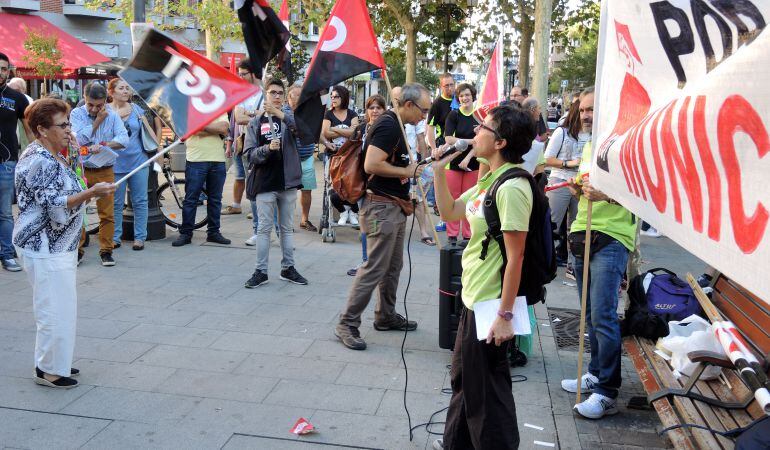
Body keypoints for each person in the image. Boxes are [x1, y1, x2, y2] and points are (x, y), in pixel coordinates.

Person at [432, 103, 536, 450]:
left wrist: (505, 316)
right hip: (473, 302)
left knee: (488, 398)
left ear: (501, 142)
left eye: (482, 129)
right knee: (465, 383)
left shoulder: (512, 189)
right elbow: (449, 211)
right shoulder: (488, 180)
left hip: (491, 307)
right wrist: (437, 169)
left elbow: (516, 256)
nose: (474, 133)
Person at [13, 98, 115, 388]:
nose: (70, 129)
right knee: (52, 309)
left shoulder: (54, 152)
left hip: (59, 244)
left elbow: (70, 184)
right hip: (43, 244)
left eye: (69, 122)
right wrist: (90, 193)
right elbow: (55, 207)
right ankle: (48, 370)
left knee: (62, 306)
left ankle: (54, 361)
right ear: (43, 130)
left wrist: (87, 183)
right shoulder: (37, 160)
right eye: (64, 124)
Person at [334, 83, 429, 351]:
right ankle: (347, 323)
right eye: (423, 110)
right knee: (375, 267)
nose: (425, 116)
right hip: (379, 207)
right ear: (408, 105)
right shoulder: (389, 125)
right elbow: (371, 164)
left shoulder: (397, 124)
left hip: (393, 205)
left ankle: (385, 316)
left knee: (393, 266)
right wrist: (407, 171)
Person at [561, 87, 636, 419]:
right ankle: (595, 372)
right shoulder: (590, 144)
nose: (586, 115)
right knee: (590, 314)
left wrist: (606, 195)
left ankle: (607, 391)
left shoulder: (626, 145)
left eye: (591, 109)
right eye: (582, 110)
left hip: (613, 237)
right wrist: (579, 189)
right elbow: (587, 189)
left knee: (604, 316)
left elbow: (641, 195)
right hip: (582, 233)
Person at [243, 78, 307, 288]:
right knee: (264, 229)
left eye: (280, 93)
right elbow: (249, 154)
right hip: (264, 183)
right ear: (266, 95)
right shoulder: (256, 122)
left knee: (287, 229)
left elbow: (303, 132)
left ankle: (288, 268)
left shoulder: (288, 119)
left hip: (287, 183)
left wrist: (281, 115)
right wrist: (267, 149)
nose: (277, 96)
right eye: (273, 92)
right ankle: (261, 271)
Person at [71, 82, 129, 267]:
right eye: (91, 105)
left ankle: (106, 251)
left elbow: (123, 139)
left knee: (107, 213)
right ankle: (78, 251)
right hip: (82, 169)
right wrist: (97, 122)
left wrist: (104, 145)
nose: (95, 109)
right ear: (85, 99)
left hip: (105, 169)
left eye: (99, 105)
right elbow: (78, 139)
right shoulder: (76, 114)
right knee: (79, 211)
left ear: (106, 101)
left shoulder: (112, 116)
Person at [107, 78, 157, 251]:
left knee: (140, 201)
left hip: (138, 161)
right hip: (115, 163)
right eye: (121, 88)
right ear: (111, 92)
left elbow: (149, 131)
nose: (126, 91)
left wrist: (158, 148)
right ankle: (115, 237)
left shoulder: (137, 109)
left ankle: (139, 237)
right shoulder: (105, 111)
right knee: (116, 202)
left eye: (127, 88)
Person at [170, 113, 231, 247]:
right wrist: (213, 129)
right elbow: (188, 131)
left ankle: (213, 233)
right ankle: (186, 233)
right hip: (195, 160)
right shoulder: (190, 108)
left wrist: (200, 127)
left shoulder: (220, 107)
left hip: (218, 160)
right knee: (191, 199)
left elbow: (224, 128)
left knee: (215, 199)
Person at [544, 96, 588, 278]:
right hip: (560, 182)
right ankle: (545, 262)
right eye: (585, 111)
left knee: (577, 228)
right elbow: (547, 159)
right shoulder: (562, 132)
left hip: (582, 184)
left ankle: (573, 265)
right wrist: (568, 163)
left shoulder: (594, 135)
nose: (588, 116)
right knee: (551, 225)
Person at [347, 94, 386, 276]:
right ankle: (366, 261)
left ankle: (375, 263)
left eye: (379, 107)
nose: (375, 111)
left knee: (376, 225)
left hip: (380, 185)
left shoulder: (387, 129)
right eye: (371, 107)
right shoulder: (361, 129)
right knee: (365, 223)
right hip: (361, 182)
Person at [0, 54, 33, 272]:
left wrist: (37, 153)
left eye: (4, 68)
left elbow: (30, 129)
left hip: (6, 162)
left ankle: (7, 254)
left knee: (4, 212)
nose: (0, 72)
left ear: (9, 71)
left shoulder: (17, 98)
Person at [223, 59, 262, 229]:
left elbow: (265, 117)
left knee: (253, 176)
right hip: (241, 140)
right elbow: (237, 118)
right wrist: (256, 114)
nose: (240, 77)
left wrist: (249, 113)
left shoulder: (263, 93)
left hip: (257, 143)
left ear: (253, 73)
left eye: (243, 74)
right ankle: (236, 205)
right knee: (239, 175)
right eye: (239, 74)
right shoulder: (242, 93)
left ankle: (256, 208)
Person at [443, 82, 479, 242]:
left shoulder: (479, 116)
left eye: (467, 95)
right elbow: (449, 138)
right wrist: (471, 141)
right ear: (458, 98)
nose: (464, 98)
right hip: (454, 162)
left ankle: (467, 234)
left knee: (470, 199)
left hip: (474, 163)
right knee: (454, 197)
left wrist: (469, 153)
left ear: (473, 97)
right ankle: (452, 234)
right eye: (462, 96)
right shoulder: (454, 115)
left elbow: (481, 142)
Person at [321, 85, 360, 225]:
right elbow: (326, 133)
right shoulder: (328, 114)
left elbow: (354, 132)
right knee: (333, 185)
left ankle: (351, 211)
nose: (333, 99)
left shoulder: (352, 114)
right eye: (331, 97)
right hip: (333, 155)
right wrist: (346, 130)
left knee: (350, 184)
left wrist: (334, 128)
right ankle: (340, 211)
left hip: (350, 155)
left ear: (343, 97)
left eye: (336, 96)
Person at [287, 83, 318, 232]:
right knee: (289, 192)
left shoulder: (309, 112)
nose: (299, 98)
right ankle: (287, 222)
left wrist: (325, 142)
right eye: (296, 95)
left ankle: (305, 219)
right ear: (289, 97)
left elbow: (316, 131)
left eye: (302, 95)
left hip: (307, 157)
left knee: (307, 190)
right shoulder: (283, 113)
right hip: (289, 160)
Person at [426, 73, 457, 152]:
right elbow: (430, 128)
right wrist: (434, 149)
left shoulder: (460, 99)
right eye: (446, 86)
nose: (450, 88)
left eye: (451, 85)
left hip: (459, 142)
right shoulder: (437, 104)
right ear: (441, 87)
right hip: (443, 144)